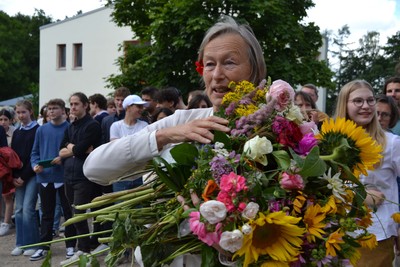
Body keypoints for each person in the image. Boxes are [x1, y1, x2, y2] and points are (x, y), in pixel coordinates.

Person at [83, 15, 266, 266]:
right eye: (210, 64)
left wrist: (224, 239)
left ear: (255, 70)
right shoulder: (181, 121)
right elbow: (94, 168)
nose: (217, 75)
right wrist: (165, 136)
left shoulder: (273, 135)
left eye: (230, 63)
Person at [334, 80, 400, 266]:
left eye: (370, 100)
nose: (366, 106)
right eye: (358, 101)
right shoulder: (330, 142)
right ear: (344, 106)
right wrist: (359, 194)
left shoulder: (391, 143)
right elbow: (327, 183)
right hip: (337, 233)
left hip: (377, 235)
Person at [29, 99, 76, 261]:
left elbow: (74, 151)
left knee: (68, 212)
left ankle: (70, 246)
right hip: (44, 177)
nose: (51, 111)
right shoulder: (41, 130)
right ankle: (44, 246)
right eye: (49, 109)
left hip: (63, 177)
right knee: (46, 214)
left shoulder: (70, 128)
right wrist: (35, 165)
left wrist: (61, 158)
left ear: (63, 110)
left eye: (55, 108)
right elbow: (34, 153)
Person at [59, 92, 102, 265]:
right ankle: (82, 248)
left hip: (84, 176)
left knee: (79, 214)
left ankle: (85, 250)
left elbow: (77, 150)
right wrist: (74, 148)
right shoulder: (71, 126)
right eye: (71, 104)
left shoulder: (93, 125)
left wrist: (72, 149)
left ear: (85, 105)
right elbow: (62, 150)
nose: (73, 107)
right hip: (68, 175)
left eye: (76, 104)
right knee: (71, 214)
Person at [10, 100, 40, 257]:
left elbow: (34, 156)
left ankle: (33, 243)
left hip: (32, 174)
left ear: (30, 112)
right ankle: (20, 243)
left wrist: (23, 176)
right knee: (19, 210)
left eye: (23, 112)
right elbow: (14, 157)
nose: (21, 115)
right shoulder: (17, 132)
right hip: (18, 176)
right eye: (18, 112)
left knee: (28, 209)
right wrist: (15, 176)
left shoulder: (37, 130)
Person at [0, 109, 15, 237]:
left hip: (6, 168)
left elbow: (6, 151)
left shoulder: (14, 133)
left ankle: (6, 222)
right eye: (1, 119)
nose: (3, 122)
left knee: (7, 196)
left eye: (5, 119)